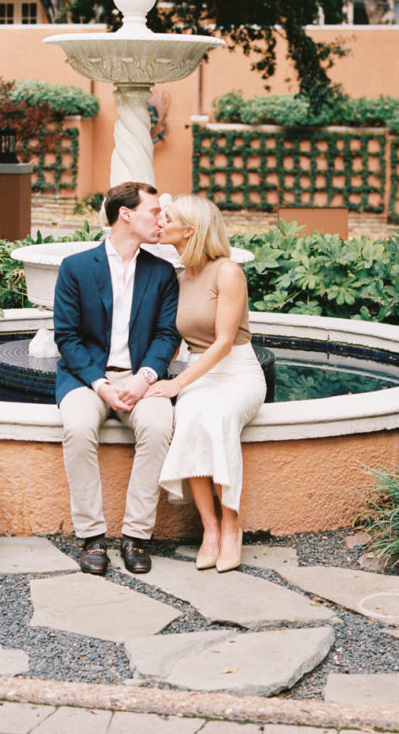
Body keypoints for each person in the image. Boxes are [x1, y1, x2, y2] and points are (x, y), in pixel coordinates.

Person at [53, 181, 179, 576]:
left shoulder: (162, 273)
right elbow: (67, 337)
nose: (161, 218)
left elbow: (167, 335)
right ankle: (92, 538)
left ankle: (135, 536)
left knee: (159, 425)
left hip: (142, 378)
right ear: (126, 214)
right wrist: (101, 385)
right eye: (154, 211)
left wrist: (143, 378)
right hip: (86, 378)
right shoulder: (76, 268)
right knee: (76, 427)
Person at [151, 195, 266, 573]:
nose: (159, 221)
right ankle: (210, 529)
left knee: (216, 415)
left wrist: (176, 383)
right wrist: (143, 375)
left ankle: (232, 525)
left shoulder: (228, 271)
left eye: (167, 217)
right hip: (201, 372)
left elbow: (223, 343)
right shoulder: (181, 277)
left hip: (237, 373)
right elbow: (176, 340)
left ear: (190, 230)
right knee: (190, 417)